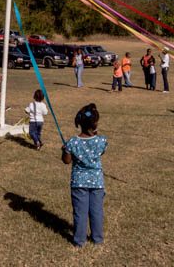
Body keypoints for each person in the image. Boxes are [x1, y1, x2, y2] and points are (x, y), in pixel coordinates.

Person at [61, 103, 107, 247]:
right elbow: (101, 152)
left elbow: (66, 161)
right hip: (97, 182)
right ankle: (97, 239)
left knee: (80, 213)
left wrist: (65, 150)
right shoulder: (101, 141)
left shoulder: (72, 142)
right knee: (96, 211)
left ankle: (79, 241)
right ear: (95, 124)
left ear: (79, 123)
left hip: (79, 183)